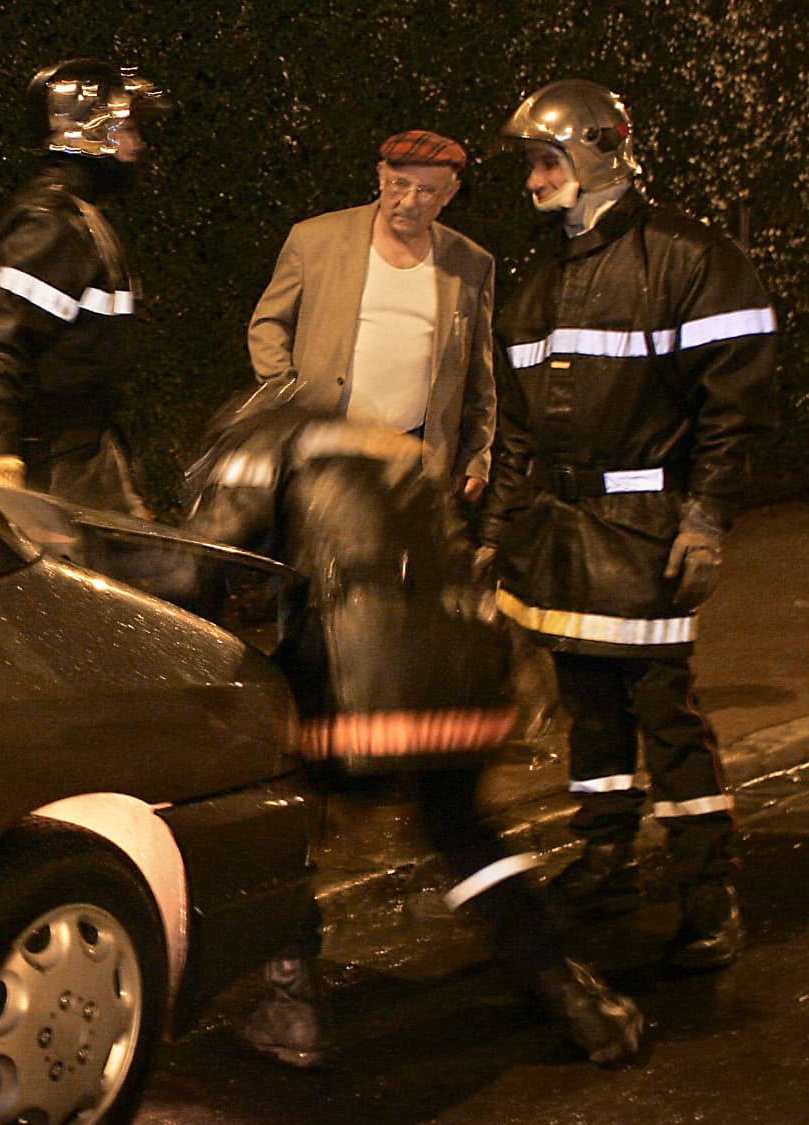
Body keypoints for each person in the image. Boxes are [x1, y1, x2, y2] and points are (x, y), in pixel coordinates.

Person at [184, 382, 644, 1070]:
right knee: (464, 834)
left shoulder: (253, 447)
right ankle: (570, 992)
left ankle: (293, 1008)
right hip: (465, 676)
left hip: (360, 681)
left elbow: (199, 566)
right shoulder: (385, 448)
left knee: (277, 820)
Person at [481, 79, 778, 970]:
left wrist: (706, 519)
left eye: (543, 160)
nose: (532, 180)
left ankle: (706, 886)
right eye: (533, 163)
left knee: (664, 711)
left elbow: (738, 403)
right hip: (560, 527)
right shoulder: (540, 280)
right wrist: (495, 529)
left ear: (596, 154)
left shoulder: (690, 257)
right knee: (590, 705)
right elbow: (519, 429)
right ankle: (606, 854)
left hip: (647, 524)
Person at [0, 57, 168, 517]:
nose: (139, 143)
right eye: (127, 128)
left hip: (83, 458)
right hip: (51, 471)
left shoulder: (81, 217)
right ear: (88, 132)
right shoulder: (51, 224)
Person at [246, 129, 497, 506]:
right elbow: (269, 324)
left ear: (450, 194)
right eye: (399, 184)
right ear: (381, 175)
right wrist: (286, 395)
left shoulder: (470, 264)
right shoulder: (316, 240)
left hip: (413, 457)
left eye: (427, 191)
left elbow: (480, 372)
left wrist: (476, 455)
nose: (409, 201)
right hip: (322, 445)